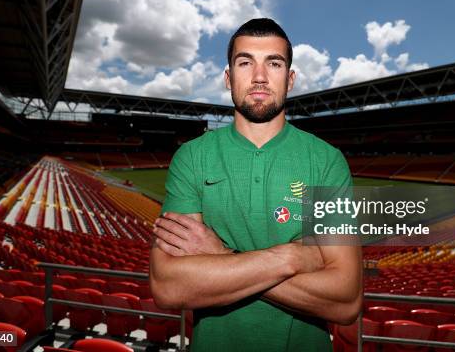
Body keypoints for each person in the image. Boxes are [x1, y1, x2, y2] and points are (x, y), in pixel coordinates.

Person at [150, 18, 362, 352]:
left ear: (290, 79)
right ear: (228, 77)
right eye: (245, 62)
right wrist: (291, 258)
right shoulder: (192, 158)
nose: (259, 76)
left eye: (274, 63)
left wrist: (221, 256)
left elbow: (346, 300)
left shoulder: (326, 161)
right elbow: (168, 286)